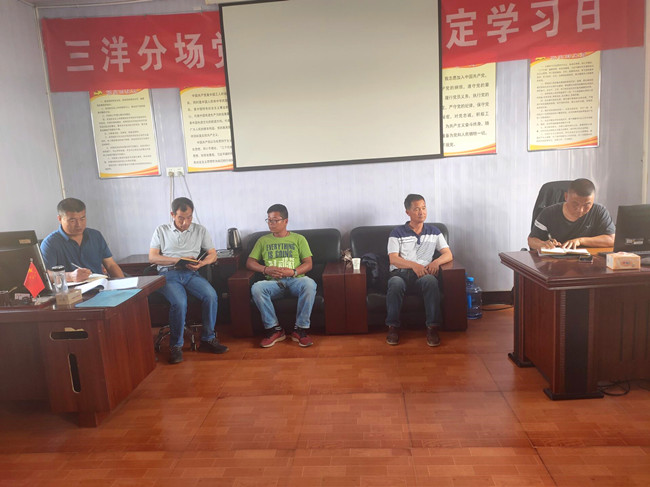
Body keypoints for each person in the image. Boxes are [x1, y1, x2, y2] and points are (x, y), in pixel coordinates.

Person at [149, 197, 228, 364]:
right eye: (181, 218)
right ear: (172, 215)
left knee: (211, 296)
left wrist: (202, 263)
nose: (186, 222)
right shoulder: (161, 230)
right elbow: (153, 257)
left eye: (189, 217)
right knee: (180, 302)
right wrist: (177, 260)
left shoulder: (200, 230)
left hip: (191, 273)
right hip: (168, 274)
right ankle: (175, 346)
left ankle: (208, 339)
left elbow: (213, 254)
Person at [385, 194, 453, 347]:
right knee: (395, 284)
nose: (421, 212)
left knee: (431, 281)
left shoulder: (434, 231)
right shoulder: (397, 232)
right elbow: (393, 259)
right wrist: (414, 265)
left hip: (423, 275)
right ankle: (393, 327)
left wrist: (436, 262)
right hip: (401, 274)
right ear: (407, 212)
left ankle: (432, 328)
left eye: (423, 208)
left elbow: (448, 254)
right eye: (417, 209)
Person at [246, 204, 316, 348]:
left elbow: (308, 263)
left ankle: (300, 329)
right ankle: (275, 329)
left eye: (275, 220)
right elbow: (250, 262)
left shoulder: (299, 239)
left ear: (286, 221)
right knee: (257, 288)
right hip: (274, 283)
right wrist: (265, 269)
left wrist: (293, 272)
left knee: (309, 284)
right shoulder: (263, 240)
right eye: (269, 220)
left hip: (296, 280)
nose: (271, 223)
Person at [41, 198, 124, 283]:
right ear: (59, 219)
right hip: (74, 289)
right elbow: (46, 275)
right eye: (72, 220)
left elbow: (110, 265)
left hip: (101, 285)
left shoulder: (95, 235)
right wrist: (70, 276)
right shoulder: (50, 243)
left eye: (82, 218)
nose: (79, 224)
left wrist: (123, 283)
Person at [528, 178, 615, 250]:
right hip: (556, 262)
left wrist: (580, 241)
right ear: (566, 197)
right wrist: (543, 244)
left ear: (593, 200)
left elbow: (612, 239)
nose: (580, 210)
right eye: (575, 204)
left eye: (586, 205)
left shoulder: (599, 211)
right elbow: (531, 240)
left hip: (588, 261)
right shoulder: (549, 212)